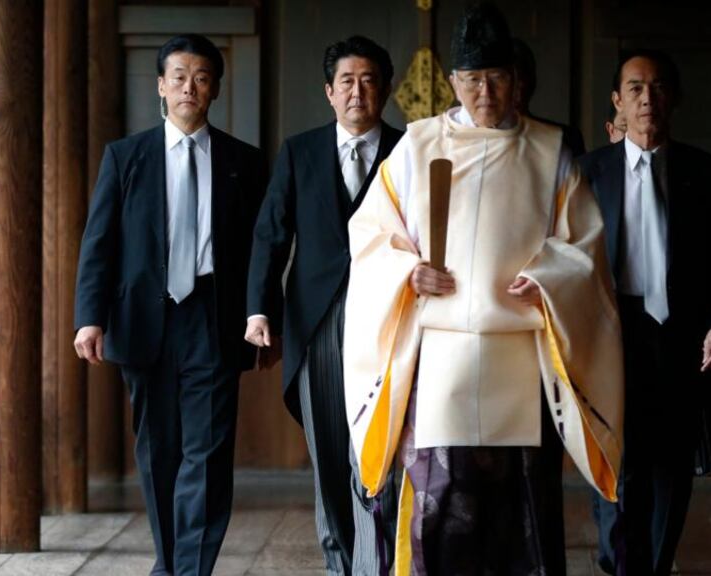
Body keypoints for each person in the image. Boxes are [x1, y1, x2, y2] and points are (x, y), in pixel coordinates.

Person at [342, 4, 625, 575]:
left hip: (520, 352)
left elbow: (584, 246)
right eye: (472, 80)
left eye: (496, 78)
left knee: (520, 507)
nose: (485, 92)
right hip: (439, 355)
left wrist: (547, 277)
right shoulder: (418, 146)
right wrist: (407, 271)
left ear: (515, 80)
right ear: (453, 82)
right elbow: (370, 233)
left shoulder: (550, 152)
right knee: (435, 500)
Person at [74, 34, 265, 576]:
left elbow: (260, 249)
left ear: (215, 90)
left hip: (213, 315)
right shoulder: (125, 157)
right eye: (178, 76)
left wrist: (261, 313)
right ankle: (172, 562)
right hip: (145, 319)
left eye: (201, 77)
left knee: (208, 452)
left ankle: (191, 568)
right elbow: (99, 243)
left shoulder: (243, 163)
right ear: (160, 86)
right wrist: (89, 317)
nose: (189, 86)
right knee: (159, 453)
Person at [245, 35, 403, 575]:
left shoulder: (409, 152)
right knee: (332, 455)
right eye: (346, 82)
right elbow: (271, 235)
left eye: (368, 81)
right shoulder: (301, 151)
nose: (357, 92)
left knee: (380, 454)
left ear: (385, 90)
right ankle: (342, 563)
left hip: (391, 323)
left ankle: (375, 559)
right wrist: (260, 310)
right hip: (318, 324)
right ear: (328, 92)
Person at [579, 49, 711, 576]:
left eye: (658, 87)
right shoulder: (588, 172)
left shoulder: (706, 174)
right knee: (620, 468)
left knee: (672, 470)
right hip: (613, 333)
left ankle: (655, 567)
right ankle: (622, 566)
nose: (646, 99)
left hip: (682, 335)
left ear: (674, 98)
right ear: (617, 101)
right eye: (635, 88)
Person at [589, 97, 627, 575]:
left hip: (650, 327)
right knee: (605, 447)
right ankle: (610, 547)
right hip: (597, 329)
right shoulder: (591, 173)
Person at [512, 37, 587, 156]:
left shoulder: (566, 137)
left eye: (523, 77)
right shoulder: (478, 142)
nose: (520, 86)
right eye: (512, 79)